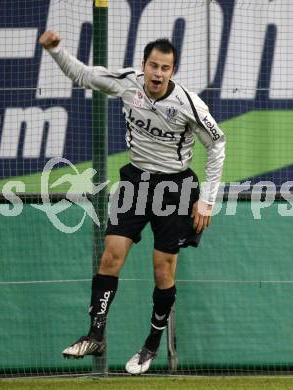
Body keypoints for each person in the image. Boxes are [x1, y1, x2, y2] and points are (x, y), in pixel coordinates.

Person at [39, 31, 225, 374]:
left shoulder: (189, 103)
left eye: (165, 68)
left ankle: (151, 344)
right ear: (143, 65)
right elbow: (82, 74)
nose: (157, 73)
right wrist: (56, 50)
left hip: (176, 187)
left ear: (173, 71)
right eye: (153, 65)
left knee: (162, 269)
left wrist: (208, 201)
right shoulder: (128, 84)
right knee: (111, 254)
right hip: (136, 181)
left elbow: (217, 144)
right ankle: (95, 334)